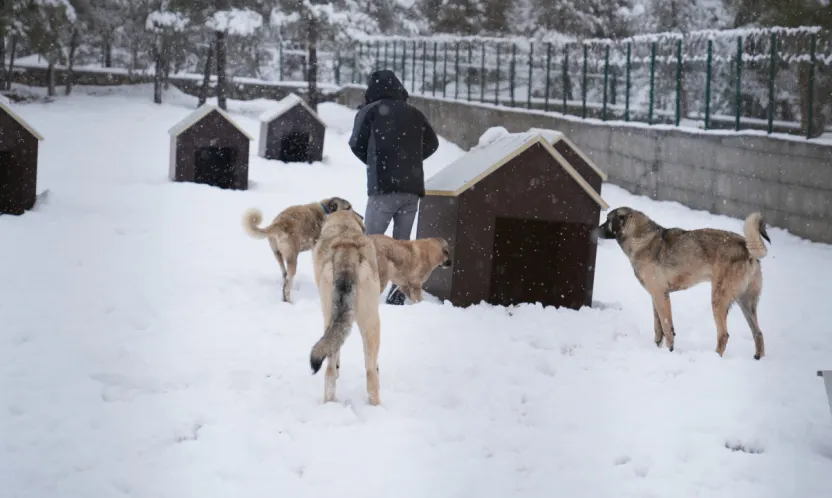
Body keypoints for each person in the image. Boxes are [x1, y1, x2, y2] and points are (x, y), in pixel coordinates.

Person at [348, 69, 439, 305]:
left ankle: (362, 291)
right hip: (412, 189)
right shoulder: (414, 113)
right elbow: (433, 143)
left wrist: (376, 161)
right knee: (402, 246)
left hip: (383, 188)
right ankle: (398, 294)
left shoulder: (370, 111)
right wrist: (411, 161)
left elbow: (356, 143)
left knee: (370, 242)